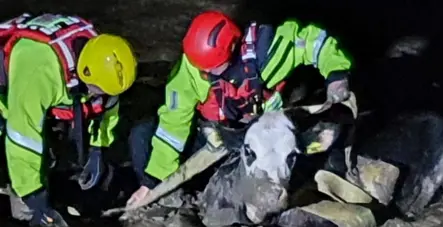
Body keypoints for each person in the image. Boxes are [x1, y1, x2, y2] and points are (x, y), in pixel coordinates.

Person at [126, 10, 352, 207]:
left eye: (210, 69)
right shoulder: (189, 71)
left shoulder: (267, 52)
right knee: (142, 135)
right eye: (199, 68)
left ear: (233, 50)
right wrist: (152, 183)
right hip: (215, 139)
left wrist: (336, 74)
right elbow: (173, 128)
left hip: (263, 142)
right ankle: (177, 197)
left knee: (324, 136)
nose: (203, 74)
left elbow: (314, 42)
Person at [0, 13, 137, 227]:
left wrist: (97, 150)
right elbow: (22, 137)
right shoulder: (41, 71)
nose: (100, 97)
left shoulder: (104, 63)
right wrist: (33, 197)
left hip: (45, 88)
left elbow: (108, 107)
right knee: (24, 200)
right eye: (97, 91)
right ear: (84, 74)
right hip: (12, 88)